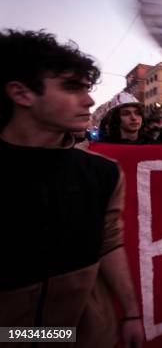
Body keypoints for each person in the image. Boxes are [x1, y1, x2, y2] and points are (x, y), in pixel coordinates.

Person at [0, 30, 144, 346]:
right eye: (71, 88)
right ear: (21, 93)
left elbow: (109, 242)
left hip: (91, 335)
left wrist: (132, 314)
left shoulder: (102, 172)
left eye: (87, 89)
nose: (90, 100)